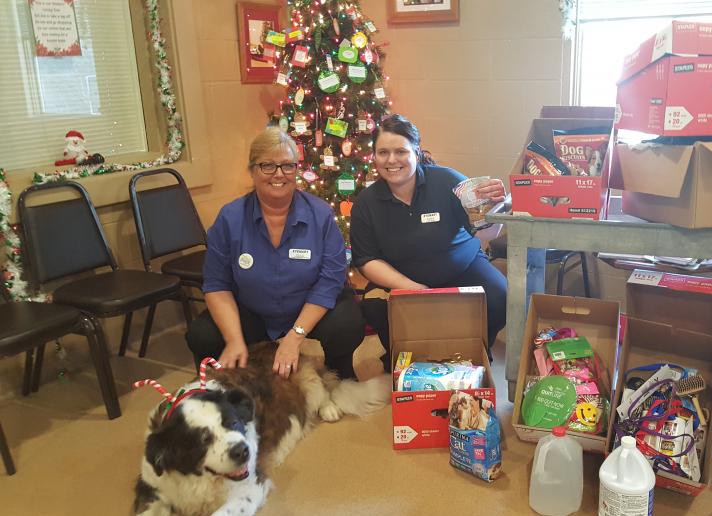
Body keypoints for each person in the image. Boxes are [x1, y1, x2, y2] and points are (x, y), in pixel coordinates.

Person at [185, 128, 366, 379]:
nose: (278, 174)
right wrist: (234, 339)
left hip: (309, 308)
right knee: (202, 335)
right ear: (252, 170)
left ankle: (339, 370)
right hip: (253, 311)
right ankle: (234, 377)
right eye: (267, 165)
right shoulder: (230, 218)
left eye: (287, 166)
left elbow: (330, 281)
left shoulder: (321, 215)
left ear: (296, 170)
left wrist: (295, 336)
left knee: (347, 324)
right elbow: (217, 284)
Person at [350, 114, 507, 352]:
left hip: (462, 267)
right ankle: (403, 356)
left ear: (416, 151)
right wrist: (411, 288)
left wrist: (493, 209)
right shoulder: (366, 202)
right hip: (400, 276)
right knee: (374, 306)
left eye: (400, 151)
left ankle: (474, 351)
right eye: (383, 152)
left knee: (500, 296)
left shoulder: (449, 182)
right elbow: (366, 259)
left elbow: (487, 234)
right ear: (374, 156)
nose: (391, 160)